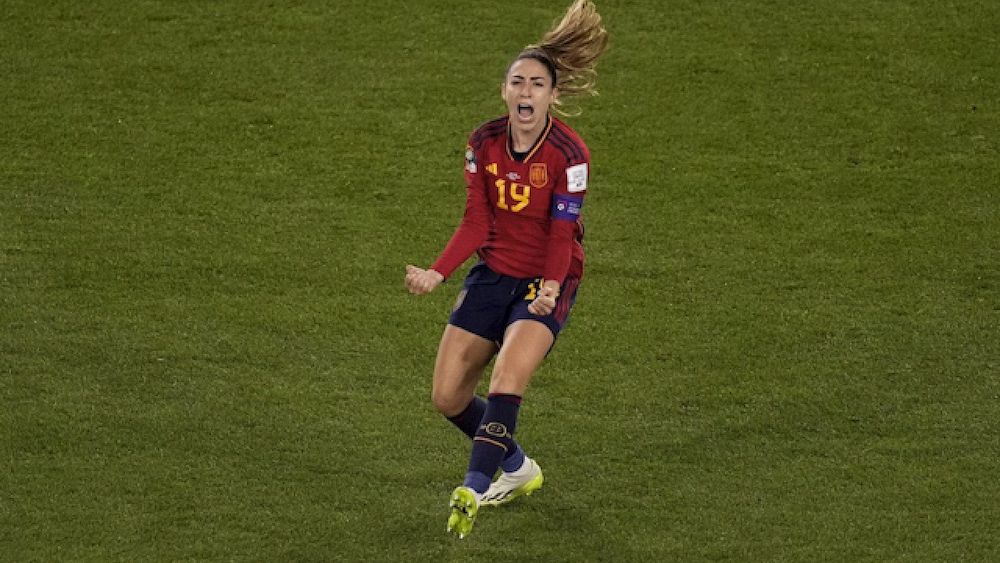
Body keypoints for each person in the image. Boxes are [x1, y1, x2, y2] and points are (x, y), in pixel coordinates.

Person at [404, 0, 609, 539]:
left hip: (548, 278)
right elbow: (476, 221)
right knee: (447, 397)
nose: (525, 92)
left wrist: (547, 288)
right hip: (493, 273)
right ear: (504, 90)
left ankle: (473, 485)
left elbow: (562, 235)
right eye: (517, 82)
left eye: (537, 84)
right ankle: (518, 467)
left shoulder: (571, 154)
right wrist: (438, 272)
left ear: (553, 95)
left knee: (505, 380)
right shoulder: (483, 142)